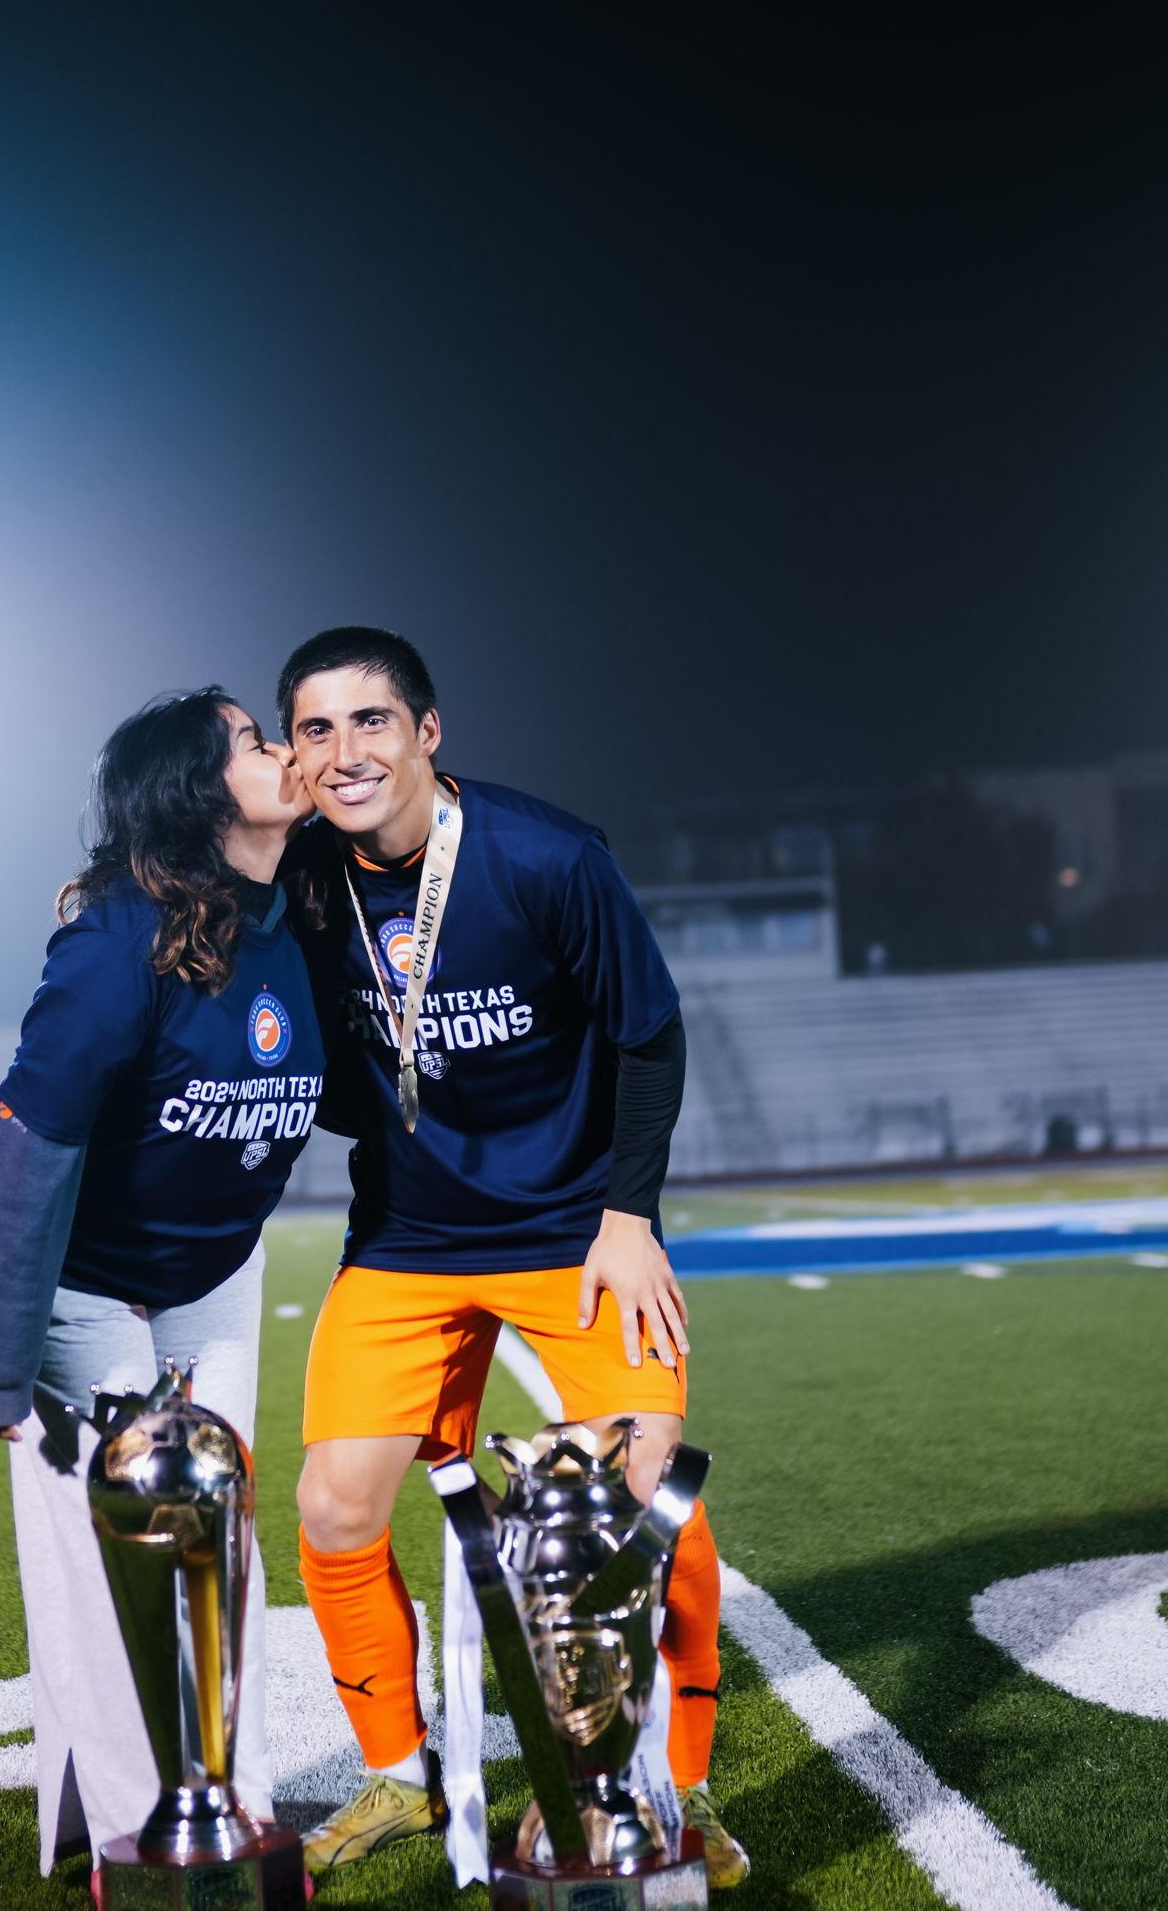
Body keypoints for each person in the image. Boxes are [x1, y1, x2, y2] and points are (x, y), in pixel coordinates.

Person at [276, 626, 748, 1887]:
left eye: (371, 720)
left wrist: (628, 1217)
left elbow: (648, 1034)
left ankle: (678, 1785)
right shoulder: (304, 876)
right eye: (315, 729)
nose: (344, 751)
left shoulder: (546, 855)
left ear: (428, 731)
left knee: (650, 1494)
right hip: (407, 1237)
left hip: (572, 1230)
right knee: (332, 1503)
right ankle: (399, 1770)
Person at [0, 688, 322, 1882]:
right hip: (88, 1285)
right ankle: (142, 1842)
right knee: (121, 1555)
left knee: (220, 1540)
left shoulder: (298, 911)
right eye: (253, 739)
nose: (285, 749)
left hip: (212, 1270)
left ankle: (233, 1811)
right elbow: (23, 1139)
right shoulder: (116, 939)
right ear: (195, 789)